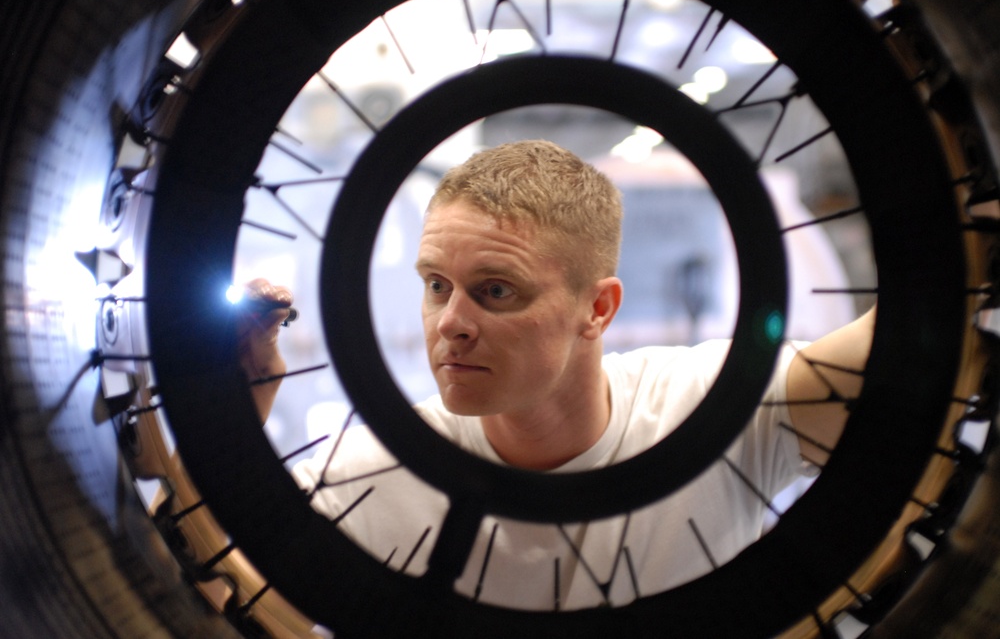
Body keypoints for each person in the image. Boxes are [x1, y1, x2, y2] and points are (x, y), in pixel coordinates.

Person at [238, 140, 874, 610]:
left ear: (597, 309)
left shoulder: (712, 407)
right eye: (437, 285)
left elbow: (927, 330)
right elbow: (213, 590)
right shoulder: (370, 474)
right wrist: (230, 414)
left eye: (496, 290)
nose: (449, 323)